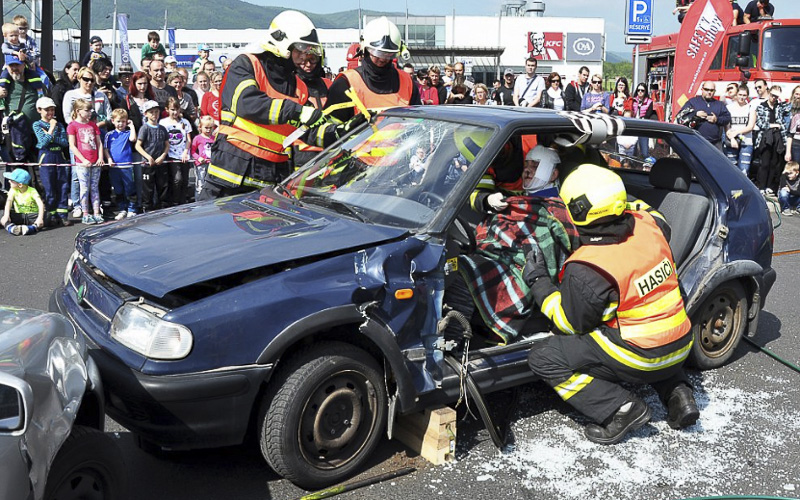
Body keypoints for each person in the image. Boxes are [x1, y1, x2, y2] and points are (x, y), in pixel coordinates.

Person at [525, 163, 698, 445]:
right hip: (680, 343)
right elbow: (642, 207)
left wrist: (538, 280)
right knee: (647, 331)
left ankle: (621, 409)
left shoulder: (588, 267)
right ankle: (678, 393)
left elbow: (569, 322)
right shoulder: (651, 224)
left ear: (577, 212)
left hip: (640, 357)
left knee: (544, 357)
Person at [201, 10, 337, 200]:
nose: (305, 55)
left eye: (309, 49)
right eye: (301, 48)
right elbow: (247, 103)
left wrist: (338, 132)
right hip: (231, 175)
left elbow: (308, 129)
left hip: (270, 180)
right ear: (283, 43)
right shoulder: (247, 64)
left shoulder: (299, 86)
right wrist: (296, 111)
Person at [325, 16, 420, 124]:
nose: (383, 58)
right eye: (378, 53)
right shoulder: (346, 83)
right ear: (365, 49)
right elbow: (330, 131)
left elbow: (416, 122)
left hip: (402, 141)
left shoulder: (406, 81)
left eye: (388, 54)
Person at [0, 54, 47, 163]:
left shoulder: (35, 81)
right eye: (11, 66)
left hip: (34, 134)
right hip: (13, 135)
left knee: (36, 169)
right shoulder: (3, 85)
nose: (14, 68)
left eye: (17, 65)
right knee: (15, 172)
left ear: (24, 65)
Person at [32, 97, 71, 226]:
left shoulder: (59, 124)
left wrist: (50, 135)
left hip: (59, 156)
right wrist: (52, 129)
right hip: (46, 157)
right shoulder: (37, 124)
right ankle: (51, 214)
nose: (50, 113)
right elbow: (43, 142)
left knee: (62, 186)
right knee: (49, 187)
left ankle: (63, 214)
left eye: (52, 110)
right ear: (39, 110)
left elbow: (64, 142)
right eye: (47, 110)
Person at [67, 99, 105, 225]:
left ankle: (96, 212)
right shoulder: (72, 126)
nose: (90, 113)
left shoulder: (93, 125)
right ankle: (85, 213)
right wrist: (83, 160)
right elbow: (72, 146)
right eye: (87, 110)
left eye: (90, 110)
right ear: (78, 111)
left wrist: (100, 158)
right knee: (84, 188)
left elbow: (99, 143)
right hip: (82, 163)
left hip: (95, 161)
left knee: (95, 187)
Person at [135, 100, 169, 211]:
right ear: (146, 114)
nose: (154, 114)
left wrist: (162, 156)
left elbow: (167, 145)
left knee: (162, 187)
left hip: (160, 162)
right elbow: (138, 146)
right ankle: (147, 208)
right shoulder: (144, 128)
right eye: (151, 112)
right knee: (148, 189)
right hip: (148, 164)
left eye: (156, 112)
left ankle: (162, 207)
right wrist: (148, 157)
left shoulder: (162, 128)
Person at [754, 85, 789, 193]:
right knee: (764, 163)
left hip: (778, 137)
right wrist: (773, 125)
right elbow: (760, 123)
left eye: (776, 96)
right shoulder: (761, 106)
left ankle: (770, 186)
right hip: (765, 137)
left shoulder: (780, 106)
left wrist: (781, 100)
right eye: (772, 95)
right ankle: (761, 186)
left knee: (774, 163)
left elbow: (788, 109)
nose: (774, 98)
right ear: (769, 93)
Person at [103, 108, 138, 218]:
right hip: (115, 167)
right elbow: (105, 149)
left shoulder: (127, 133)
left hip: (127, 166)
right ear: (113, 121)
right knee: (118, 189)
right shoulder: (109, 135)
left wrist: (131, 126)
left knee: (129, 188)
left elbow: (133, 139)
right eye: (118, 121)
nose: (121, 124)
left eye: (123, 121)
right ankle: (122, 208)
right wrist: (109, 159)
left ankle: (132, 208)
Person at [676, 82, 731, 150]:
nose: (709, 92)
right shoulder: (693, 102)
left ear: (714, 91)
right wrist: (695, 114)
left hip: (714, 144)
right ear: (702, 89)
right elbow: (680, 117)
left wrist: (716, 119)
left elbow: (727, 118)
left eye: (711, 90)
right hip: (695, 142)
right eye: (706, 89)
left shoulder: (719, 105)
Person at [160, 97, 192, 206]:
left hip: (183, 154)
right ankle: (175, 201)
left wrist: (186, 152)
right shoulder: (163, 123)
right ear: (167, 110)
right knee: (177, 179)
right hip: (171, 154)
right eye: (172, 109)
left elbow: (188, 139)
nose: (175, 112)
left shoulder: (185, 122)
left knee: (185, 179)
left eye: (177, 109)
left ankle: (183, 200)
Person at [725, 84, 757, 176]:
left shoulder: (751, 108)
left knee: (744, 170)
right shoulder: (729, 108)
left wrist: (736, 132)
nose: (742, 97)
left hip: (746, 142)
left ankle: (742, 190)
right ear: (736, 95)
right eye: (740, 95)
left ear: (747, 96)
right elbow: (727, 127)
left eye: (744, 95)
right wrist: (732, 138)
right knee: (731, 169)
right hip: (732, 141)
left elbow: (750, 126)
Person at [1, 168, 44, 235]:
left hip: (32, 215)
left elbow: (40, 204)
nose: (9, 181)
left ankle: (32, 228)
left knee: (47, 216)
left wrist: (40, 218)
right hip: (19, 215)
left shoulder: (32, 191)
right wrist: (6, 215)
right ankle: (12, 228)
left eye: (12, 180)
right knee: (2, 215)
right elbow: (9, 202)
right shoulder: (13, 190)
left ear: (20, 185)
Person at [627, 82, 657, 156]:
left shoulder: (649, 102)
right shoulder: (633, 100)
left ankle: (645, 160)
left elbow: (648, 114)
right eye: (638, 90)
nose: (640, 92)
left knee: (644, 149)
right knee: (632, 148)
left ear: (645, 91)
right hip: (633, 125)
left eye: (642, 90)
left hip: (643, 126)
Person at [191, 115, 215, 198]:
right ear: (200, 127)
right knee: (200, 183)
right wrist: (198, 158)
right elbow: (193, 151)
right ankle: (198, 199)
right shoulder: (197, 138)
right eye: (206, 128)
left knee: (210, 183)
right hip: (201, 164)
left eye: (210, 128)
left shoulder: (214, 138)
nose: (208, 130)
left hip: (211, 164)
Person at [51, 60, 79, 125]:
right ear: (67, 70)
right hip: (63, 122)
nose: (77, 72)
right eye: (74, 69)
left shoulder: (76, 86)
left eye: (78, 70)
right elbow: (56, 104)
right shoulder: (60, 86)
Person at [785, 85, 800, 163]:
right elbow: (790, 134)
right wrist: (788, 152)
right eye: (796, 94)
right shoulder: (796, 116)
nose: (798, 97)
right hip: (796, 145)